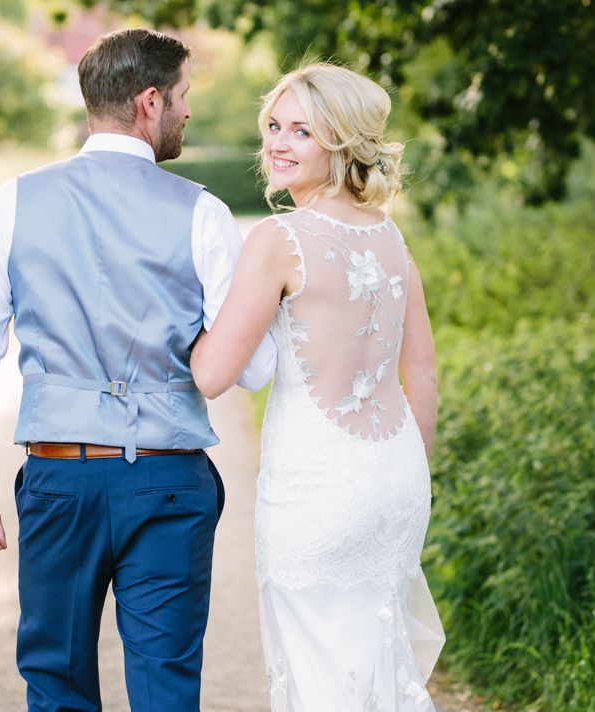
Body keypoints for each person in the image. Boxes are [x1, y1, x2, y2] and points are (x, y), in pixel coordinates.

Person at [0, 28, 276, 712]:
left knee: (56, 687)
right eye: (183, 97)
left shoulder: (14, 202)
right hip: (168, 480)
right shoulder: (202, 213)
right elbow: (256, 370)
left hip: (61, 478)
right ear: (149, 102)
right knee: (165, 691)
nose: (187, 112)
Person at [191, 62, 444, 710]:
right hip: (396, 477)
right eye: (273, 125)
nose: (276, 142)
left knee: (319, 673)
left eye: (300, 131)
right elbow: (422, 369)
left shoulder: (279, 238)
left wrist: (175, 315)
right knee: (377, 665)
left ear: (341, 142)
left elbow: (214, 373)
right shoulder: (390, 236)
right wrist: (410, 466)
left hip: (318, 488)